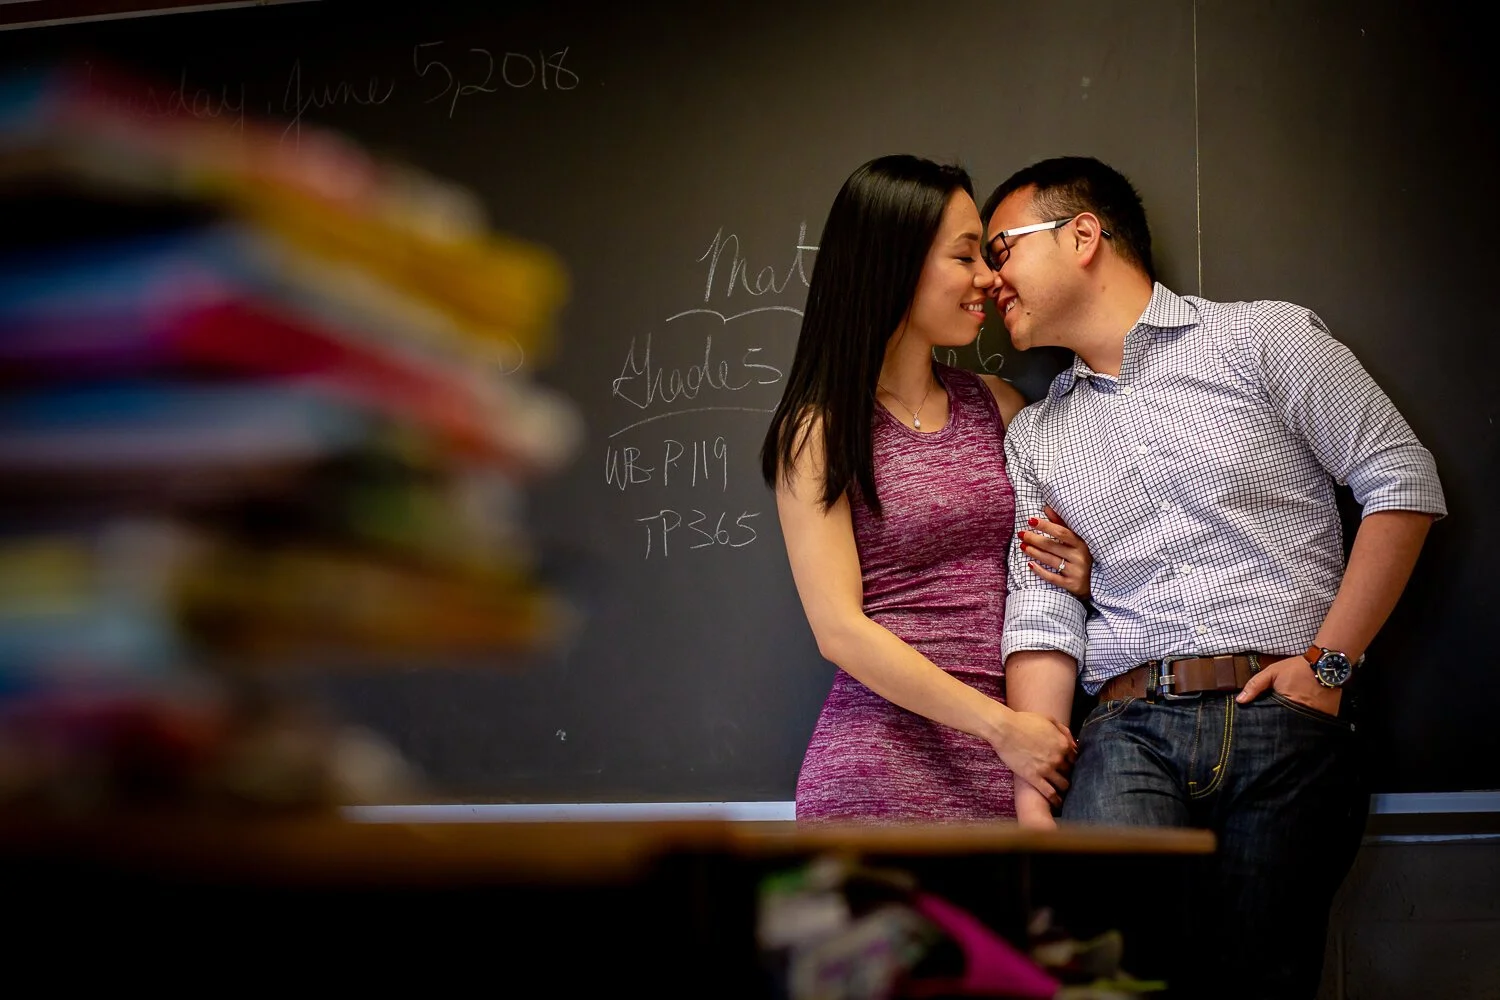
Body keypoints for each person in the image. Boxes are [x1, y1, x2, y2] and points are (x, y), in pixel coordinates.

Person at [984, 156, 1446, 995]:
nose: (990, 279)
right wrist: (1029, 790)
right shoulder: (1037, 436)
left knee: (1260, 981)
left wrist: (1330, 665)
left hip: (1285, 716)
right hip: (1124, 730)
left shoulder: (1263, 338)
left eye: (1002, 247)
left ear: (1083, 234)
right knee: (1111, 976)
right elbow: (1042, 609)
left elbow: (1401, 481)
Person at [759, 154, 1094, 822]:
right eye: (965, 256)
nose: (988, 278)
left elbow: (1043, 573)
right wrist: (1001, 729)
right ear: (898, 264)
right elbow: (840, 631)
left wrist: (1087, 576)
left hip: (1008, 777)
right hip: (876, 777)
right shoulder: (820, 429)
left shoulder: (996, 406)